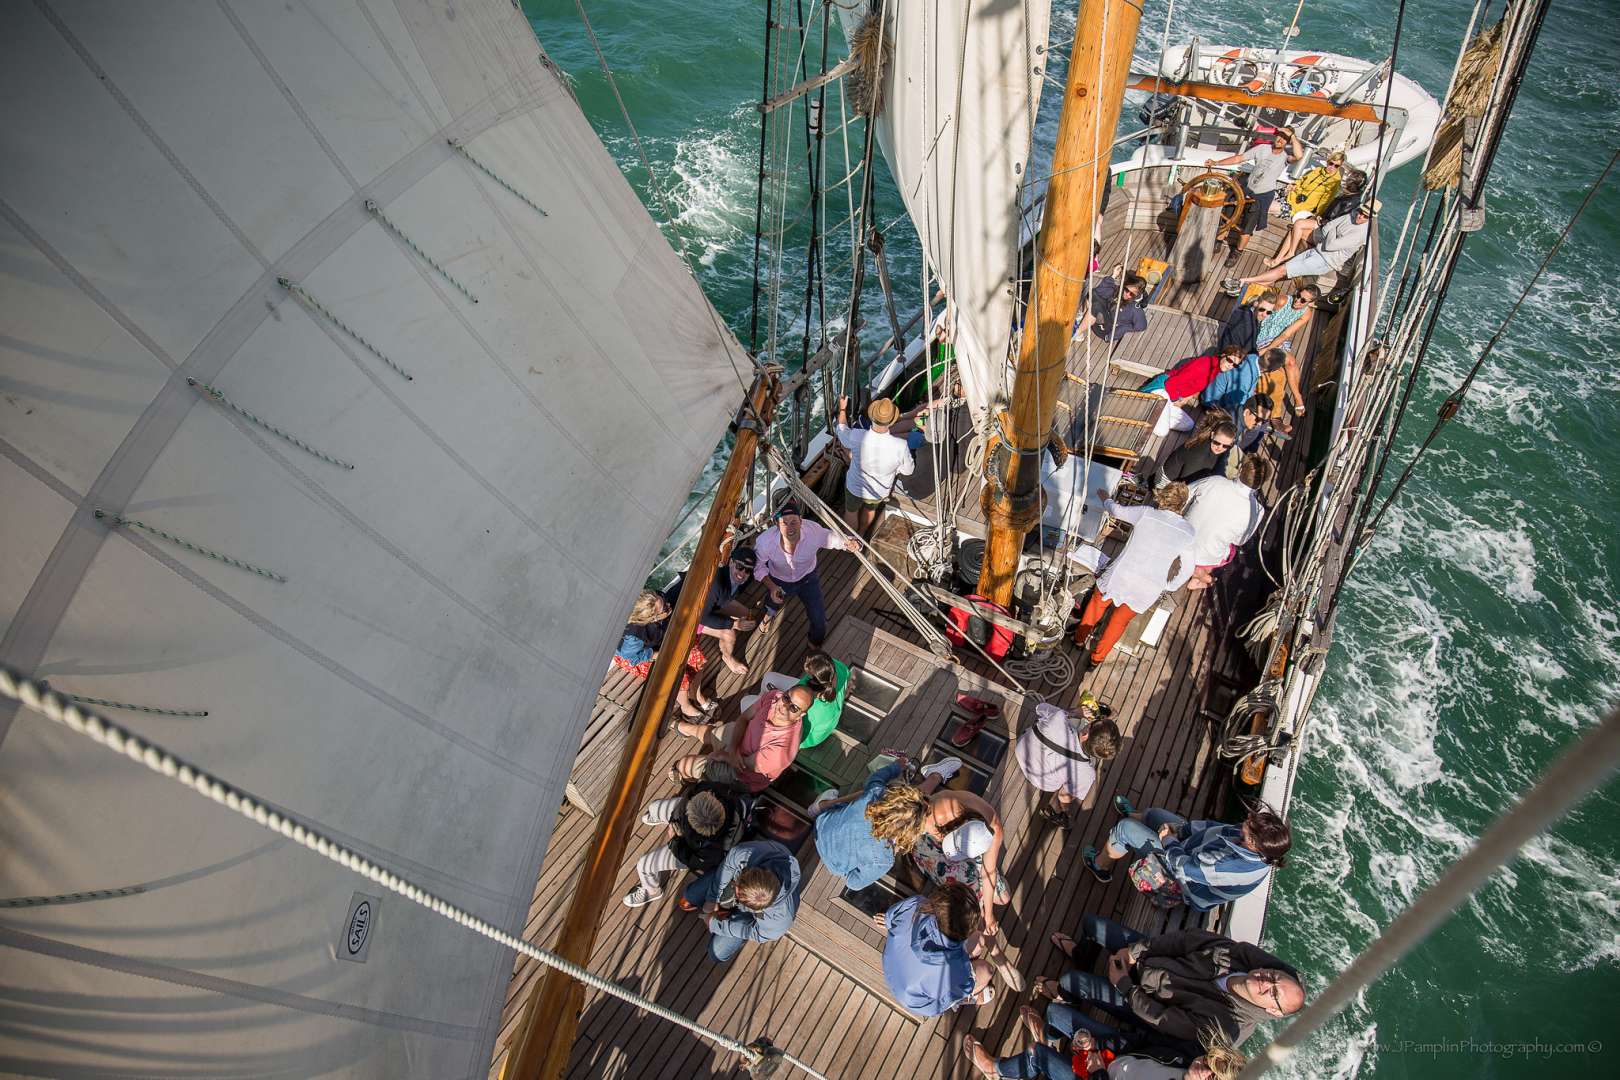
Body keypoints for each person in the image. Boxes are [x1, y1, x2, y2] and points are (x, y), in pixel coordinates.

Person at [1047, 917, 1304, 1048]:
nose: (1265, 982)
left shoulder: (1226, 1027)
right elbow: (1184, 940)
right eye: (1273, 976)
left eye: (1273, 994)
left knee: (1072, 981)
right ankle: (1084, 956)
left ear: (1272, 1011)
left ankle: (1068, 996)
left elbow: (1162, 1017)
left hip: (1141, 1000)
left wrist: (1125, 985)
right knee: (1092, 923)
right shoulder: (1236, 956)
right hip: (1150, 958)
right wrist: (1136, 951)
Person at [1083, 800, 1291, 912]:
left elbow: (1185, 868)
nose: (1247, 818)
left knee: (1125, 829)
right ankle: (1134, 816)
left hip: (1182, 880)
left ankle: (1100, 866)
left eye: (1250, 823)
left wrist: (1168, 840)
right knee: (1154, 814)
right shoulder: (1250, 839)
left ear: (1253, 843)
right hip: (1191, 848)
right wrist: (1180, 830)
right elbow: (1213, 828)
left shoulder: (1230, 866)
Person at [1073, 483, 1198, 668]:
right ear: (1183, 504)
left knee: (1096, 605)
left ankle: (1079, 639)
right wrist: (1169, 585)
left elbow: (1115, 510)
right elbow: (1189, 567)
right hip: (1149, 587)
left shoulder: (1147, 513)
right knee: (1119, 622)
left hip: (1121, 575)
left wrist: (1105, 496)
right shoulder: (1189, 532)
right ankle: (1096, 659)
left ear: (1161, 497)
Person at [963, 1001, 1249, 1080]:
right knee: (1055, 1012)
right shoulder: (1187, 1055)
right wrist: (1100, 1047)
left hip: (1098, 1076)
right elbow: (1143, 1043)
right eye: (1208, 1059)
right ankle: (1053, 1040)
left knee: (1037, 1056)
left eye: (1211, 1075)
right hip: (1113, 1057)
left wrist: (1098, 1071)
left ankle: (997, 1071)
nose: (1203, 1064)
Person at [811, 755, 963, 890]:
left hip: (822, 824)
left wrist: (896, 766)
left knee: (869, 797)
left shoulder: (875, 794)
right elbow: (852, 883)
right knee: (915, 806)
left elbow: (876, 778)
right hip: (834, 864)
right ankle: (935, 776)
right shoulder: (883, 860)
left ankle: (822, 805)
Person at [623, 781, 749, 907]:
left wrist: (675, 841)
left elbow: (692, 860)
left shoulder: (714, 848)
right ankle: (658, 814)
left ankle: (651, 891)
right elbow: (691, 796)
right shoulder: (716, 793)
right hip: (683, 822)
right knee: (653, 807)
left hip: (685, 845)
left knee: (644, 865)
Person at [753, 503, 862, 647]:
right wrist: (772, 587)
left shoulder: (813, 532)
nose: (790, 527)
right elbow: (758, 567)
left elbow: (836, 539)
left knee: (819, 620)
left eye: (794, 522)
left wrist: (854, 543)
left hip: (808, 580)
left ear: (801, 520)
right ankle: (768, 616)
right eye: (784, 523)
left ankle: (814, 645)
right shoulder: (765, 542)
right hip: (778, 581)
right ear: (776, 525)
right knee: (771, 603)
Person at [880, 883, 997, 1016]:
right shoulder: (955, 970)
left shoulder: (917, 903)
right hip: (923, 1003)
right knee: (987, 971)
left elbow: (890, 917)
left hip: (891, 964)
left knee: (979, 942)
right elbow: (966, 985)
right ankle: (964, 1000)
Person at [678, 838, 800, 963]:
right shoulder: (750, 853)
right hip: (747, 876)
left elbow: (755, 932)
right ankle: (722, 907)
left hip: (756, 917)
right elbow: (730, 864)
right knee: (691, 895)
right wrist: (712, 898)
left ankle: (732, 914)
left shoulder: (779, 921)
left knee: (717, 954)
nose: (734, 888)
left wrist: (717, 925)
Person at [671, 683, 810, 793]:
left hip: (742, 775)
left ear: (801, 715)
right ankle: (683, 728)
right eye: (786, 698)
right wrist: (732, 748)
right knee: (709, 733)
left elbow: (745, 765)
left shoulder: (782, 750)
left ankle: (684, 775)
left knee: (686, 764)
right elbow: (743, 718)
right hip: (739, 742)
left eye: (794, 708)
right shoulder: (774, 696)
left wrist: (725, 755)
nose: (784, 707)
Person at [913, 784, 1010, 937]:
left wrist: (989, 914)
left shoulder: (992, 834)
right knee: (970, 905)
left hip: (967, 849)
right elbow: (917, 805)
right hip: (929, 844)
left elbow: (988, 872)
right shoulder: (940, 812)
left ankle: (979, 896)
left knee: (1003, 899)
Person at [1222, 200, 1377, 294]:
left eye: (1365, 216)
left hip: (1324, 260)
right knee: (1279, 275)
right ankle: (1243, 289)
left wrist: (1333, 231)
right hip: (1317, 251)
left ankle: (1242, 281)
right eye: (1361, 212)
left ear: (1370, 218)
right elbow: (1327, 227)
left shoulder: (1361, 233)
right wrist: (1333, 232)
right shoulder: (1351, 214)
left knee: (1282, 270)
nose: (1360, 216)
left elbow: (1330, 244)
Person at [1016, 695, 1121, 827]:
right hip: (1041, 781)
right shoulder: (1086, 774)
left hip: (1022, 748)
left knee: (1072, 722)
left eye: (1093, 722)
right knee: (1067, 789)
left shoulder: (1059, 718)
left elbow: (1040, 708)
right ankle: (1056, 811)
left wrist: (1076, 712)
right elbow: (1064, 796)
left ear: (1085, 734)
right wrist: (1065, 808)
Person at [1203, 127, 1304, 263]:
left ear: (1288, 142)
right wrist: (1216, 163)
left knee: (1247, 227)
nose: (1280, 140)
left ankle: (1236, 253)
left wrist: (1291, 135)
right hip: (1247, 189)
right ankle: (1218, 242)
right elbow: (1239, 158)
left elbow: (1299, 156)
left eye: (1284, 138)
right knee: (1228, 214)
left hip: (1263, 196)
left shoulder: (1286, 157)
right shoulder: (1262, 148)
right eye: (1279, 136)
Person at [612, 589, 714, 720]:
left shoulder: (656, 599)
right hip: (641, 655)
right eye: (664, 607)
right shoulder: (633, 638)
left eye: (663, 600)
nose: (668, 605)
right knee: (676, 673)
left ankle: (696, 695)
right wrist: (659, 655)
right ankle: (685, 706)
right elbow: (632, 657)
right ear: (652, 618)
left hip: (660, 641)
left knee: (696, 656)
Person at [1184, 457, 1271, 591]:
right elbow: (1240, 541)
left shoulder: (1215, 481)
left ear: (1240, 469)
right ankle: (1200, 575)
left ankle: (1198, 574)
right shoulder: (1258, 510)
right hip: (1207, 557)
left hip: (1181, 538)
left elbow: (1185, 493)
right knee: (1229, 549)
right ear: (1261, 484)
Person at [837, 395, 915, 535]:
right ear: (891, 421)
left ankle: (850, 540)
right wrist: (895, 469)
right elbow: (908, 471)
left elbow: (841, 429)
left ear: (872, 416)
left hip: (855, 486)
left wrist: (842, 409)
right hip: (879, 491)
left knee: (851, 512)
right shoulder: (900, 446)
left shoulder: (857, 435)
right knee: (870, 510)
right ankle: (861, 533)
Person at [1269, 163, 1366, 268]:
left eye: (1349, 179)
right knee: (1295, 228)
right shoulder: (1350, 196)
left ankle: (1288, 254)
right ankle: (1279, 259)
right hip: (1323, 222)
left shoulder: (1350, 201)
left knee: (1298, 225)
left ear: (1352, 184)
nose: (1346, 180)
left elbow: (1335, 219)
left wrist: (1320, 220)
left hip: (1326, 229)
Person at [1139, 346, 1244, 437]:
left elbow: (1194, 387)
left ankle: (1155, 413)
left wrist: (1186, 397)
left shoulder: (1215, 370)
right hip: (1162, 390)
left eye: (1235, 365)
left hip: (1171, 396)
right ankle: (1145, 408)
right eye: (1230, 361)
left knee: (1188, 425)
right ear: (1223, 355)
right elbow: (1173, 382)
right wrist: (1178, 400)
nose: (1231, 365)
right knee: (1162, 432)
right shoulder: (1205, 363)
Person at [694, 546, 760, 677]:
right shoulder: (716, 584)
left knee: (747, 615)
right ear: (730, 562)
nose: (742, 573)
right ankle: (728, 657)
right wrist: (733, 624)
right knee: (729, 634)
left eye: (747, 570)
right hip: (694, 615)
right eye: (739, 567)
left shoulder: (746, 578)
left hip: (717, 602)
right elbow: (702, 618)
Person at [1149, 418, 1236, 490]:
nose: (1220, 447)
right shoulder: (1198, 454)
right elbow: (1186, 484)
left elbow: (1219, 468)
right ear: (1212, 435)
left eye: (1225, 446)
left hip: (1186, 478)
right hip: (1166, 485)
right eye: (1217, 443)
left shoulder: (1219, 446)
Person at [795, 649, 850, 749]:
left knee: (769, 678)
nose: (805, 662)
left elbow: (796, 730)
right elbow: (847, 676)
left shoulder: (811, 707)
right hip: (824, 730)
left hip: (804, 740)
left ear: (812, 678)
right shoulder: (837, 667)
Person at [1086, 270, 1150, 344]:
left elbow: (1141, 326)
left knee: (1096, 306)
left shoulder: (1135, 309)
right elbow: (1098, 291)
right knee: (1092, 293)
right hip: (1106, 314)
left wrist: (1124, 328)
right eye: (1126, 290)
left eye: (1132, 294)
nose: (1128, 295)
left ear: (1136, 295)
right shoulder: (1119, 291)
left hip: (1106, 330)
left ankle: (1078, 332)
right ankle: (1086, 318)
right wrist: (1113, 275)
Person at [1254, 284, 1319, 356]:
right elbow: (1260, 311)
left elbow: (1286, 334)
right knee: (1276, 362)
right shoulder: (1283, 301)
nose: (1297, 300)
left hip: (1279, 339)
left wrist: (1268, 348)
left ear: (1311, 303)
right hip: (1264, 335)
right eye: (1298, 295)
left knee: (1291, 363)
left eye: (1303, 300)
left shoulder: (1306, 313)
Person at [1214, 289, 1279, 357]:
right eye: (1262, 309)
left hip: (1236, 353)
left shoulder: (1246, 311)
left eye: (1268, 312)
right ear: (1256, 304)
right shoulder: (1247, 322)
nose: (1264, 315)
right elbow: (1249, 353)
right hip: (1229, 358)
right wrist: (1266, 349)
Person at [1253, 348, 1305, 434]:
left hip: (1273, 345)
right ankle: (1274, 417)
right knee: (1276, 378)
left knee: (1289, 363)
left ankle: (1297, 397)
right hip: (1261, 348)